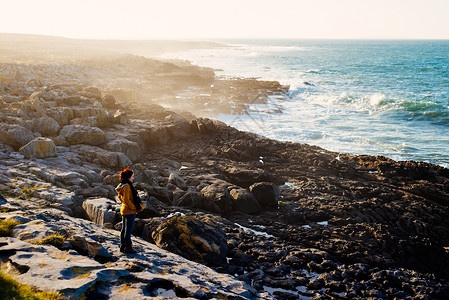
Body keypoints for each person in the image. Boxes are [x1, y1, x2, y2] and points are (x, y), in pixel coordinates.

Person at [115, 168, 142, 254]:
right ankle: (128, 247)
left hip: (124, 209)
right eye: (132, 176)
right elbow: (127, 200)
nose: (133, 178)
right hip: (129, 210)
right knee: (128, 230)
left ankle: (123, 246)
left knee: (124, 229)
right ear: (128, 177)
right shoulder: (127, 186)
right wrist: (134, 208)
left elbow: (121, 198)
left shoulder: (122, 185)